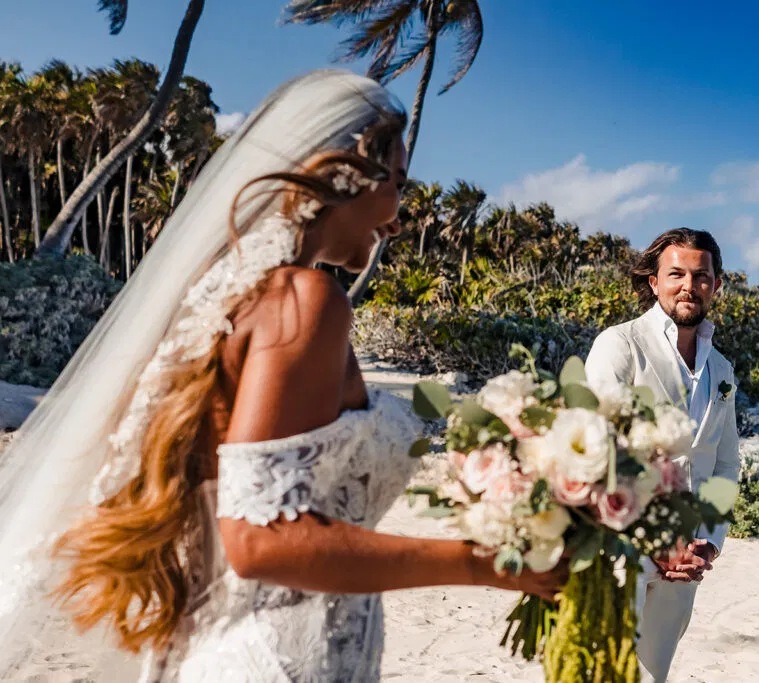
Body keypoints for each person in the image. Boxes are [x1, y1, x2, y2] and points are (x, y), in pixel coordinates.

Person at [0, 70, 563, 682]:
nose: (398, 218)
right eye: (396, 184)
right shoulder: (306, 299)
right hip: (277, 660)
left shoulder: (238, 299)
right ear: (343, 176)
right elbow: (260, 540)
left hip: (239, 646)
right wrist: (484, 565)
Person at [584, 228, 741, 683]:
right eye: (675, 274)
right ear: (653, 281)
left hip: (685, 560)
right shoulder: (620, 345)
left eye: (701, 275)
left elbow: (725, 462)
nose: (688, 286)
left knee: (652, 676)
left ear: (716, 284)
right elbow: (601, 446)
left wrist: (708, 541)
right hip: (618, 545)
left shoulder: (722, 369)